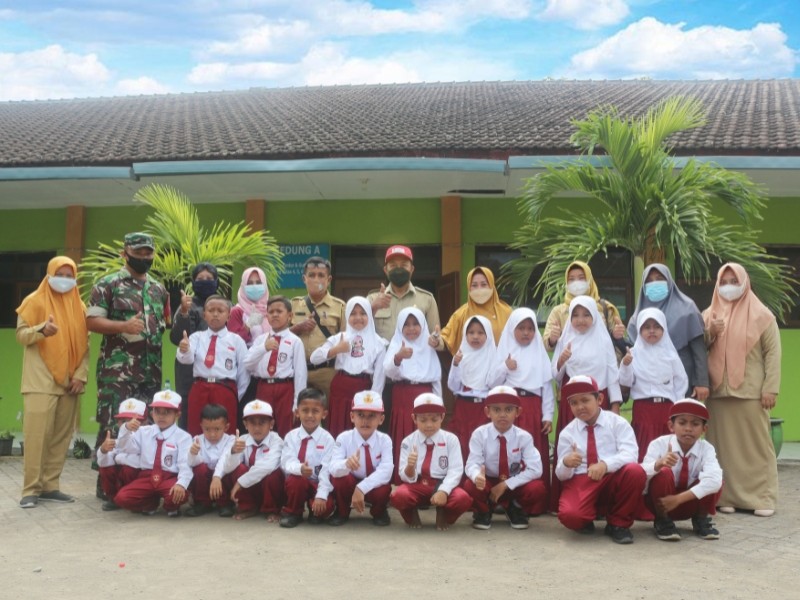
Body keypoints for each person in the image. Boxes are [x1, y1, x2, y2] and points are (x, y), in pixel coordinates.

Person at [703, 263, 781, 517]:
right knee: (722, 449)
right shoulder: (708, 315)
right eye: (723, 282)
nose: (728, 287)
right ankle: (726, 496)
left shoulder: (762, 315)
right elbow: (697, 349)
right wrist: (709, 333)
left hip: (750, 392)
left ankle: (762, 497)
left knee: (757, 447)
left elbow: (773, 354)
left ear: (745, 283)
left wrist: (771, 388)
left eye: (733, 281)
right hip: (717, 393)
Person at [16, 256, 89, 509]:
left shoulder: (79, 306)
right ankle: (30, 489)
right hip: (40, 381)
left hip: (70, 382)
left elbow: (85, 345)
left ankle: (50, 486)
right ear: (49, 274)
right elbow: (21, 335)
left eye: (70, 276)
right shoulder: (34, 301)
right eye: (60, 274)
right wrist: (41, 330)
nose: (65, 280)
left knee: (61, 437)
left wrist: (81, 375)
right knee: (37, 437)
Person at [86, 232, 169, 451]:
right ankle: (106, 475)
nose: (144, 257)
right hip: (118, 376)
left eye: (148, 253)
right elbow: (91, 321)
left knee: (146, 432)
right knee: (113, 430)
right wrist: (123, 326)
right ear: (125, 253)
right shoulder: (107, 284)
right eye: (138, 252)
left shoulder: (159, 289)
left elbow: (164, 323)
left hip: (151, 374)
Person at [554, 375, 646, 544]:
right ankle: (586, 518)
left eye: (585, 400)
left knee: (635, 471)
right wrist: (566, 463)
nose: (580, 407)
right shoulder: (568, 433)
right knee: (571, 516)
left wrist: (605, 464)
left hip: (611, 476)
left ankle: (618, 523)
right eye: (574, 403)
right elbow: (561, 475)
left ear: (600, 399)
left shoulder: (617, 423)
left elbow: (631, 454)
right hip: (582, 480)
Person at [490, 307, 554, 502]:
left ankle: (531, 500)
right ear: (512, 329)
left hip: (533, 410)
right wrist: (504, 367)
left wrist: (547, 415)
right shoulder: (504, 351)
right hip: (509, 409)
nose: (526, 333)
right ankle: (504, 497)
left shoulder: (539, 353)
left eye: (530, 328)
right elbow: (492, 383)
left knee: (531, 452)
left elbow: (546, 386)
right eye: (521, 328)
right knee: (508, 450)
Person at [463, 386, 548, 530]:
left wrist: (506, 484)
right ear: (487, 412)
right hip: (488, 482)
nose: (502, 414)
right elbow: (472, 463)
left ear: (517, 412)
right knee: (470, 485)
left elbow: (536, 469)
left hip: (513, 484)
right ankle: (484, 510)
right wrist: (477, 476)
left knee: (537, 488)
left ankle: (516, 508)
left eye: (508, 409)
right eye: (496, 410)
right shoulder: (479, 434)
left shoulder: (524, 437)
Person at [641, 399, 723, 541]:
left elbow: (715, 481)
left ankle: (700, 518)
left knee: (714, 478)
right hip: (662, 503)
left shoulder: (707, 449)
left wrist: (678, 499)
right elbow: (641, 475)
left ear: (704, 429)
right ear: (671, 426)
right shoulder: (659, 444)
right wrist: (658, 464)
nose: (688, 429)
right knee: (664, 473)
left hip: (689, 503)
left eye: (695, 424)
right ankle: (662, 521)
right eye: (682, 423)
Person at [390, 393, 472, 530]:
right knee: (399, 496)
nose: (429, 425)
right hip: (417, 484)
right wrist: (410, 467)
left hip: (441, 482)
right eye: (423, 420)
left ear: (442, 417)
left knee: (462, 499)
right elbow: (403, 475)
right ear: (414, 418)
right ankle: (411, 514)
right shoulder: (408, 441)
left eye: (434, 419)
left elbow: (456, 470)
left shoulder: (451, 439)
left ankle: (444, 513)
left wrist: (444, 491)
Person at [627, 263, 709, 400]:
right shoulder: (637, 317)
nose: (654, 283)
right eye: (649, 281)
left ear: (669, 281)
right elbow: (631, 352)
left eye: (660, 278)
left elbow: (699, 350)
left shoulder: (687, 309)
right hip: (647, 387)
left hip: (683, 381)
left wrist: (701, 382)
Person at [310, 296, 387, 438]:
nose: (358, 317)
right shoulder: (340, 337)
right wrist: (336, 349)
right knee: (339, 428)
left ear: (369, 315)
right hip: (341, 387)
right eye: (353, 313)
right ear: (347, 316)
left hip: (364, 389)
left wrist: (374, 401)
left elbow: (379, 377)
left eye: (363, 313)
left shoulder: (378, 343)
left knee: (361, 430)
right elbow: (314, 357)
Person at [619, 308, 689, 461]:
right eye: (647, 327)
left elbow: (680, 382)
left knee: (668, 449)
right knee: (644, 449)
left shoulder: (671, 355)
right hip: (643, 409)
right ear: (639, 330)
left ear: (664, 329)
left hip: (666, 409)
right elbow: (626, 382)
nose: (652, 331)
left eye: (657, 327)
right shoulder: (633, 354)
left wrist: (678, 407)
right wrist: (625, 365)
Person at [176, 295, 250, 436]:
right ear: (204, 315)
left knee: (226, 432)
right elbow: (186, 360)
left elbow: (244, 374)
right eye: (211, 310)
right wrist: (184, 350)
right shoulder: (196, 337)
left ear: (228, 316)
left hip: (225, 389)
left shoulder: (236, 340)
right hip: (200, 388)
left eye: (220, 311)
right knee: (196, 429)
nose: (215, 314)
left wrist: (234, 395)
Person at [113, 389, 193, 517]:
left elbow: (185, 464)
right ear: (152, 414)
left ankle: (170, 507)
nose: (161, 416)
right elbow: (126, 448)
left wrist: (181, 484)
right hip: (146, 477)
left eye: (167, 412)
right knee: (121, 498)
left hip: (169, 477)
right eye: (157, 412)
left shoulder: (183, 437)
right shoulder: (143, 432)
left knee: (178, 495)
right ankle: (150, 503)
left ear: (177, 414)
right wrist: (126, 429)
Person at [320, 391, 393, 526]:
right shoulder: (344, 438)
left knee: (383, 489)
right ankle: (342, 511)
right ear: (352, 417)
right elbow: (333, 468)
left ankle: (379, 512)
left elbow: (386, 471)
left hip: (372, 484)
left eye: (372, 416)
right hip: (351, 482)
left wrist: (361, 488)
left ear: (381, 419)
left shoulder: (385, 440)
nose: (365, 421)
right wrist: (346, 464)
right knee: (340, 479)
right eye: (360, 415)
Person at [384, 307, 442, 472]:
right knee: (403, 432)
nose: (411, 328)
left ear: (422, 325)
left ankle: (426, 473)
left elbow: (436, 378)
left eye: (415, 324)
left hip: (425, 396)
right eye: (406, 324)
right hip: (402, 395)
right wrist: (398, 357)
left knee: (426, 432)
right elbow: (388, 371)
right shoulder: (397, 344)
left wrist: (439, 405)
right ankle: (403, 474)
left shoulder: (429, 346)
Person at [244, 296, 307, 437]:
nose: (275, 315)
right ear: (266, 316)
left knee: (286, 427)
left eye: (279, 311)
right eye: (271, 312)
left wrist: (297, 403)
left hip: (285, 388)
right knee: (263, 424)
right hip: (264, 387)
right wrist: (263, 348)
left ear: (290, 316)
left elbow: (300, 374)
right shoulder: (261, 340)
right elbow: (247, 363)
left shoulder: (295, 341)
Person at [169, 262, 219, 426]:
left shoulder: (224, 305)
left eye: (209, 278)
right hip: (188, 373)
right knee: (189, 415)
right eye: (200, 278)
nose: (205, 281)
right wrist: (184, 312)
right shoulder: (187, 306)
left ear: (216, 281)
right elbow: (177, 337)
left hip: (216, 373)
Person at [543, 260, 628, 355]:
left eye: (581, 278)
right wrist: (552, 339)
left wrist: (616, 336)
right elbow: (546, 346)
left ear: (589, 280)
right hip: (570, 362)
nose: (576, 283)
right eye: (571, 279)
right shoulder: (558, 312)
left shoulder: (605, 308)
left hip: (600, 363)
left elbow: (620, 344)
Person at [290, 257, 346, 401]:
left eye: (321, 275)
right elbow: (280, 337)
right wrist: (298, 328)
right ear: (304, 279)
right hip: (298, 372)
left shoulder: (340, 307)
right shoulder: (293, 305)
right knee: (299, 411)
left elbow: (345, 341)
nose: (316, 280)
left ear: (329, 279)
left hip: (327, 373)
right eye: (311, 275)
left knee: (328, 412)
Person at [279, 388, 336, 528]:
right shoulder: (291, 436)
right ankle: (294, 512)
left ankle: (314, 511)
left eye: (315, 411)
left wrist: (321, 496)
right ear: (297, 412)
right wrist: (299, 468)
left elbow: (326, 470)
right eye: (305, 410)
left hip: (317, 483)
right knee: (295, 480)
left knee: (326, 507)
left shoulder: (328, 439)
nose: (310, 415)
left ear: (324, 414)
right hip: (297, 484)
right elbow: (286, 462)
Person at [222, 399, 285, 521]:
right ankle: (248, 507)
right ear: (245, 424)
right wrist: (233, 453)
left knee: (273, 474)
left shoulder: (277, 441)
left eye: (262, 423)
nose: (257, 428)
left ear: (271, 424)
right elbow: (227, 468)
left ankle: (272, 509)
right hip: (250, 488)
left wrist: (240, 483)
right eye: (252, 423)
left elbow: (267, 466)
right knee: (238, 469)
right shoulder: (242, 440)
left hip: (268, 487)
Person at [367, 245, 441, 341]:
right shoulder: (373, 299)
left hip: (415, 351)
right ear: (386, 270)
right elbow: (359, 333)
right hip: (383, 351)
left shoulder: (427, 299)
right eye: (393, 266)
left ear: (411, 269)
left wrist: (436, 341)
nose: (398, 269)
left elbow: (436, 336)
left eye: (404, 265)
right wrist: (373, 308)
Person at [448, 315, 496, 461]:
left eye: (480, 333)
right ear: (465, 334)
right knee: (462, 443)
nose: (475, 336)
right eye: (471, 332)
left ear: (488, 334)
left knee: (484, 444)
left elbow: (495, 384)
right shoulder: (460, 356)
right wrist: (456, 365)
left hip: (484, 408)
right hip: (464, 407)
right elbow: (453, 386)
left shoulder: (494, 357)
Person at [439, 267, 512, 354]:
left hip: (499, 362)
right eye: (474, 285)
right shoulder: (460, 314)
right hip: (469, 362)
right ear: (469, 288)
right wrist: (436, 341)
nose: (479, 289)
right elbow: (445, 338)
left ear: (492, 285)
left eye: (484, 284)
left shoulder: (506, 312)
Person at [184, 403, 237, 517]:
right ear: (201, 426)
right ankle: (202, 502)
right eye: (207, 429)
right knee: (200, 469)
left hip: (221, 480)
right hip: (205, 482)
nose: (212, 434)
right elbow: (191, 463)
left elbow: (225, 459)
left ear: (226, 427)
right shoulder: (197, 440)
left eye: (217, 429)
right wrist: (193, 454)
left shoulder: (231, 440)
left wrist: (216, 477)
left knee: (230, 468)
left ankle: (224, 503)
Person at [96, 398, 145, 511]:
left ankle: (135, 501)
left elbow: (138, 460)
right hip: (122, 481)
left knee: (129, 469)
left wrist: (119, 458)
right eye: (123, 421)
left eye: (132, 421)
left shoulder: (147, 440)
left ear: (143, 423)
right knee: (106, 469)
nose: (128, 425)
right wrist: (103, 450)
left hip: (139, 483)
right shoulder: (117, 441)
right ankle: (113, 499)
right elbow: (103, 463)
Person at [228, 266, 271, 347]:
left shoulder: (270, 310)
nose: (254, 286)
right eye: (250, 283)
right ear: (243, 286)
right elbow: (232, 343)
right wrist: (248, 325)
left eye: (258, 282)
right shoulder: (237, 311)